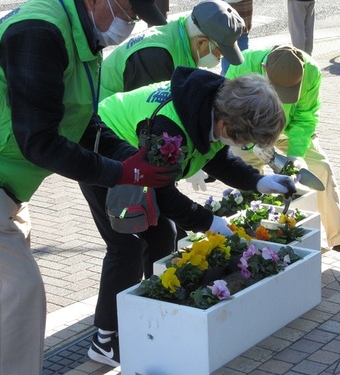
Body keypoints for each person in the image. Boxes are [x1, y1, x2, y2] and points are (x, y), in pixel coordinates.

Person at [0, 0, 179, 374]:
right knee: (19, 297)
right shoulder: (40, 33)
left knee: (14, 298)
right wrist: (121, 173)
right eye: (129, 10)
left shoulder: (81, 36)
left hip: (0, 185)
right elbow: (40, 141)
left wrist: (135, 158)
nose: (129, 22)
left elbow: (83, 124)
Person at [81, 66, 296, 367]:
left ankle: (149, 311)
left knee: (162, 234)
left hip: (138, 161)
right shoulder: (170, 129)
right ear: (227, 124)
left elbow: (217, 158)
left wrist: (259, 182)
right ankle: (105, 339)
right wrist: (213, 224)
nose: (243, 147)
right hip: (104, 150)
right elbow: (164, 194)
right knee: (126, 245)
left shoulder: (212, 105)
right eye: (244, 141)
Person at [225, 44, 340, 254]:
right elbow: (228, 114)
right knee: (246, 175)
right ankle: (252, 238)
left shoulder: (310, 70)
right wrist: (250, 142)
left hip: (290, 130)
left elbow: (305, 117)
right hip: (250, 131)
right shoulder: (242, 65)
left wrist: (295, 155)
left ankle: (338, 236)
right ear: (264, 69)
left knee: (321, 168)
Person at [99, 0, 245, 100]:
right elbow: (148, 114)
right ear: (201, 43)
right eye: (220, 52)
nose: (220, 58)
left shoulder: (182, 34)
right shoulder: (157, 56)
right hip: (102, 117)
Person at [221, 0, 254, 75]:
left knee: (238, 56)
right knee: (240, 57)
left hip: (236, 17)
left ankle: (226, 80)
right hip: (229, 17)